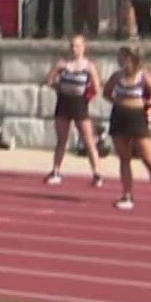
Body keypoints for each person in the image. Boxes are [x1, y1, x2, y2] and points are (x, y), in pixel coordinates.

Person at [104, 47, 151, 211]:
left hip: (137, 119)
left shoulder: (144, 77)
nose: (121, 61)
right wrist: (119, 101)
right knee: (124, 159)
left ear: (133, 59)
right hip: (119, 117)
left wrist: (147, 106)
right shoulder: (117, 76)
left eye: (125, 58)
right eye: (120, 58)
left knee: (148, 159)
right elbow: (106, 92)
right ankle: (127, 195)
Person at [43, 35, 104, 188]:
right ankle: (56, 171)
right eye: (71, 46)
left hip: (79, 103)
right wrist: (59, 88)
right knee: (61, 140)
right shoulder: (62, 64)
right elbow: (50, 81)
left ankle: (96, 173)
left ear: (84, 47)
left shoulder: (89, 66)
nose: (73, 49)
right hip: (64, 102)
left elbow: (97, 88)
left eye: (77, 46)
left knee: (88, 139)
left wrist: (86, 95)